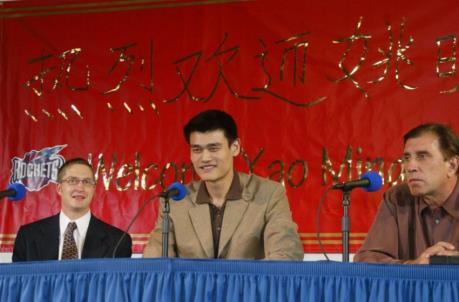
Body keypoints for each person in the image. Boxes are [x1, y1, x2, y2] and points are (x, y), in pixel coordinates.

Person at [143, 109, 303, 260]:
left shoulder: (269, 194)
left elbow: (286, 255)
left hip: (248, 289)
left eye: (213, 148)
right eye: (197, 150)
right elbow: (154, 261)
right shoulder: (174, 201)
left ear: (235, 147)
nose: (205, 158)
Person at [354, 123, 459, 264]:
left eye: (422, 156)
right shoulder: (397, 198)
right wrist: (413, 265)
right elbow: (366, 259)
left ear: (452, 165)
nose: (410, 167)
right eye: (407, 158)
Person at [12, 158, 132, 261]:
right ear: (59, 188)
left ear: (94, 189)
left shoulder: (119, 240)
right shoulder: (28, 236)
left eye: (87, 182)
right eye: (72, 181)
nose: (80, 187)